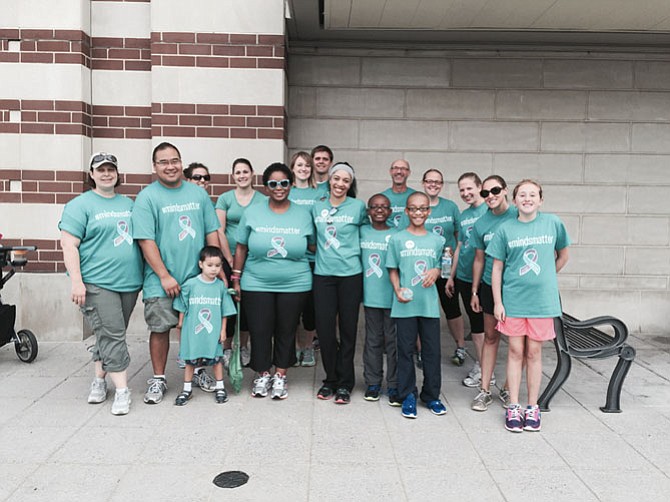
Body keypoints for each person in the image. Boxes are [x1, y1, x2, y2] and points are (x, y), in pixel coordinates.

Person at [132, 142, 221, 404]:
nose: (170, 166)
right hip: (161, 280)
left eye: (174, 160)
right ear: (154, 166)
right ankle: (158, 379)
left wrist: (214, 270)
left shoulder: (198, 194)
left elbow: (210, 232)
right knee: (160, 328)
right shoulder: (147, 197)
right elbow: (145, 240)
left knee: (199, 329)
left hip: (198, 279)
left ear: (181, 163)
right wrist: (163, 275)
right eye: (163, 162)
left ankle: (198, 371)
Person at [59, 152, 143, 415]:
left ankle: (98, 381)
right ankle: (121, 391)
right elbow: (68, 244)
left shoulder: (129, 204)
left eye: (111, 169)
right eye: (100, 170)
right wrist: (77, 282)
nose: (106, 173)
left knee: (108, 334)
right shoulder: (79, 205)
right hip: (97, 283)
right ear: (92, 175)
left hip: (129, 283)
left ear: (117, 174)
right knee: (114, 335)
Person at [488, 179, 570, 432]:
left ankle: (532, 406)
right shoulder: (505, 229)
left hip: (542, 303)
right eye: (522, 195)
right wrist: (498, 302)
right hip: (513, 301)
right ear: (514, 201)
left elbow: (563, 254)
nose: (527, 198)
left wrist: (546, 276)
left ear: (540, 200)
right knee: (514, 352)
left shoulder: (552, 223)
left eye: (532, 194)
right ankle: (514, 405)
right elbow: (497, 268)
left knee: (534, 353)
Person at [232, 163, 314, 400]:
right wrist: (236, 278)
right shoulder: (253, 212)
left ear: (290, 184)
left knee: (286, 329)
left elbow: (314, 244)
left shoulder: (302, 213)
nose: (279, 188)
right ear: (266, 187)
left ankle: (280, 375)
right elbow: (241, 247)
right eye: (273, 184)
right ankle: (262, 373)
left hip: (295, 283)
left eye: (284, 183)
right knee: (260, 329)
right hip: (256, 282)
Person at [387, 192, 447, 419]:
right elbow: (392, 268)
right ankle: (407, 395)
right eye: (413, 209)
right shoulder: (397, 239)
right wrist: (397, 290)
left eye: (423, 208)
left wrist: (437, 270)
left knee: (431, 352)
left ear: (429, 211)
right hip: (405, 304)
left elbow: (444, 266)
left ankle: (431, 395)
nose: (418, 213)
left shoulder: (437, 240)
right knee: (405, 351)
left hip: (428, 305)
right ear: (407, 211)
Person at [312, 162, 367, 404]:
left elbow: (366, 238)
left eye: (346, 180)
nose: (340, 184)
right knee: (324, 330)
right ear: (330, 180)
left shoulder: (357, 207)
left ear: (350, 184)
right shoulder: (317, 207)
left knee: (347, 330)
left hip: (350, 276)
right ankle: (330, 379)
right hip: (324, 275)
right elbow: (313, 241)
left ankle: (345, 383)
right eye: (337, 179)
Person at [469, 175, 518, 412]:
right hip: (490, 284)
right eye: (485, 193)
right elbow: (479, 259)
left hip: (516, 286)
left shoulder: (519, 216)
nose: (490, 196)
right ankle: (485, 390)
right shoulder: (481, 223)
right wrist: (475, 290)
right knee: (491, 337)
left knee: (517, 341)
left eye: (495, 190)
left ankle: (509, 389)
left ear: (505, 190)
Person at [215, 158, 266, 367]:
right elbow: (219, 229)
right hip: (228, 258)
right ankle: (226, 348)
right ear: (233, 175)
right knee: (228, 302)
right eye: (238, 172)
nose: (242, 175)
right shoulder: (225, 198)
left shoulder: (262, 200)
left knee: (247, 304)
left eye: (245, 171)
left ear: (252, 174)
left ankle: (243, 346)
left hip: (252, 259)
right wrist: (229, 257)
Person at [173, 246, 237, 406]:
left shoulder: (220, 286)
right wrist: (180, 323)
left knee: (216, 359)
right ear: (201, 264)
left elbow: (225, 311)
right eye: (210, 265)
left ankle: (220, 386)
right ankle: (186, 389)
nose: (214, 269)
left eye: (217, 265)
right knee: (190, 359)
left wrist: (223, 330)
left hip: (213, 331)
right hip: (192, 330)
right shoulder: (191, 284)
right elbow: (183, 305)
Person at [415, 169, 465, 367]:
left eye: (437, 182)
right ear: (423, 182)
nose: (433, 184)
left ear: (442, 184)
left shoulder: (450, 207)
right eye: (429, 181)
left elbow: (458, 234)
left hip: (446, 268)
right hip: (423, 268)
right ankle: (420, 350)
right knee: (421, 308)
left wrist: (451, 256)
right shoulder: (417, 205)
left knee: (451, 307)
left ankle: (460, 346)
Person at [446, 172, 489, 388]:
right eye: (462, 190)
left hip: (482, 279)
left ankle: (484, 369)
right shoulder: (463, 216)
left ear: (480, 186)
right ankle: (482, 365)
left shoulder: (489, 211)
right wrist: (451, 277)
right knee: (475, 325)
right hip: (463, 276)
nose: (465, 193)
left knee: (482, 327)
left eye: (469, 188)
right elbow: (460, 247)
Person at [360, 193, 399, 404]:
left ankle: (394, 384)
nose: (379, 210)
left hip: (392, 296)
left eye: (384, 206)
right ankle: (373, 382)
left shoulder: (397, 234)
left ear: (390, 211)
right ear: (368, 212)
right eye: (374, 206)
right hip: (370, 296)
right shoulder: (362, 232)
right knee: (373, 341)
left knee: (393, 342)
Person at [288, 151, 321, 366]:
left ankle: (308, 348)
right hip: (291, 259)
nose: (303, 169)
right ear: (292, 168)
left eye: (307, 165)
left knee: (311, 307)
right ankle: (293, 348)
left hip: (315, 258)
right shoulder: (286, 193)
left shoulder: (319, 194)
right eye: (299, 165)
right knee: (291, 306)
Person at [381, 159, 416, 227]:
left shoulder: (416, 197)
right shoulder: (382, 197)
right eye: (396, 168)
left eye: (403, 168)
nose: (399, 171)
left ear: (409, 172)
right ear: (390, 171)